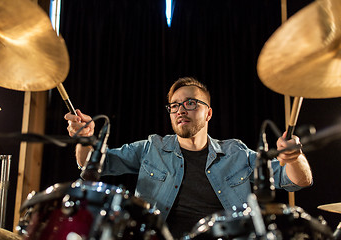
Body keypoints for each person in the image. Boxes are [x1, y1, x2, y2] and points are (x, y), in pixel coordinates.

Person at [64, 77, 312, 238]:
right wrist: (85, 140)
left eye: (191, 103)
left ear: (208, 113)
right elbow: (94, 164)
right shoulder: (152, 148)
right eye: (174, 105)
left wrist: (293, 157)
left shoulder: (237, 154)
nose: (181, 109)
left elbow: (297, 180)